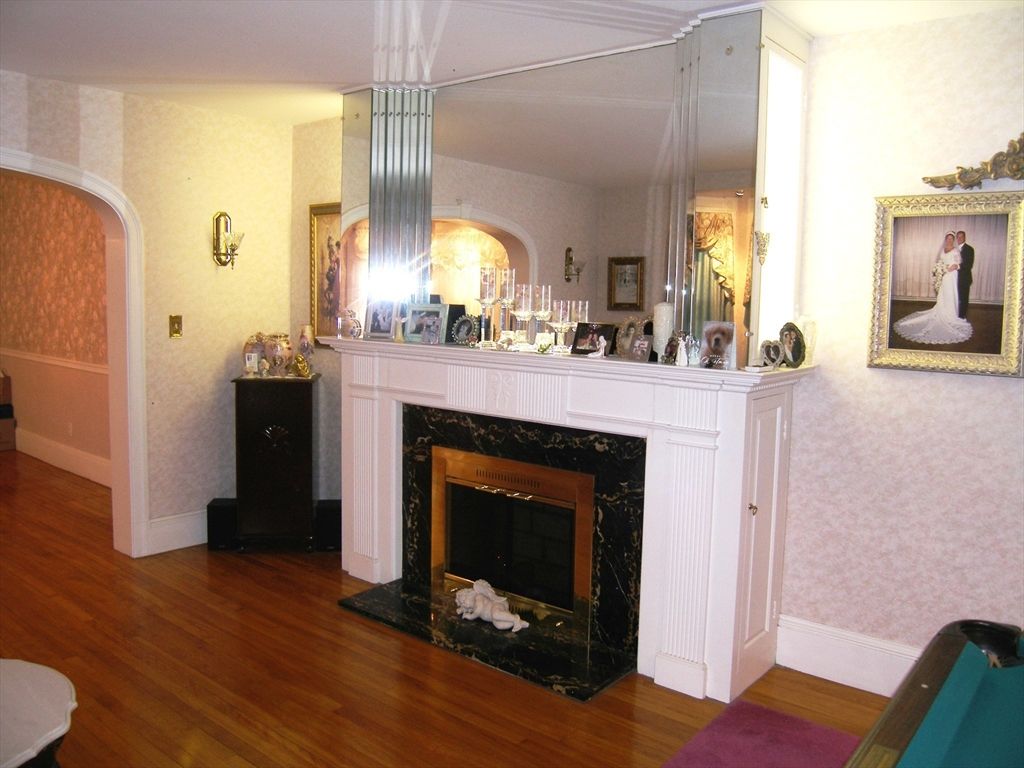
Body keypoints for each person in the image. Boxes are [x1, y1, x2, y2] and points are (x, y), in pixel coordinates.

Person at [893, 231, 972, 345]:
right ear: (945, 239)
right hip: (944, 275)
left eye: (951, 238)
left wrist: (953, 266)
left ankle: (951, 315)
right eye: (948, 238)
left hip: (951, 275)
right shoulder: (943, 249)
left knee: (950, 294)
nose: (950, 240)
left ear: (953, 240)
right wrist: (940, 269)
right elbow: (940, 261)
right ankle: (942, 311)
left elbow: (958, 263)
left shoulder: (955, 250)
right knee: (943, 294)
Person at [956, 230, 974, 319]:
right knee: (955, 297)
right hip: (954, 278)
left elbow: (968, 265)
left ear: (964, 238)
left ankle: (962, 316)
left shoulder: (969, 249)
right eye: (958, 237)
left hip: (964, 279)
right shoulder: (954, 249)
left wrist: (957, 266)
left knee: (963, 299)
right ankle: (955, 313)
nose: (959, 238)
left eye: (961, 237)